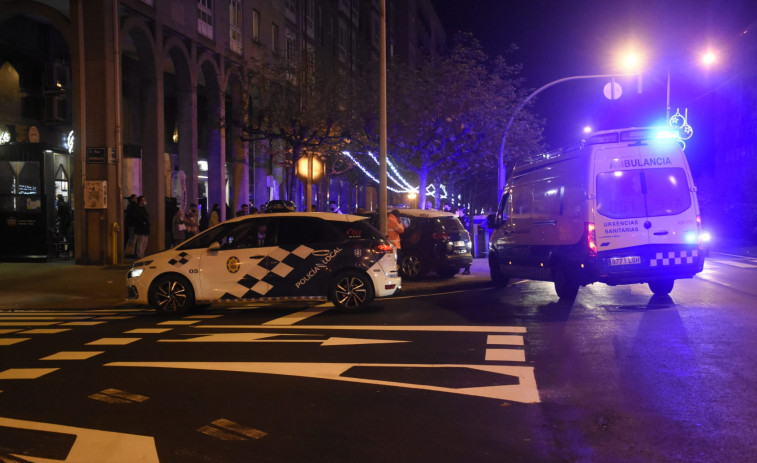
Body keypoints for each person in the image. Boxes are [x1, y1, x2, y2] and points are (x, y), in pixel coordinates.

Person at [457, 206, 472, 274]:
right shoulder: (458, 218)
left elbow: (466, 229)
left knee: (466, 252)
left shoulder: (466, 219)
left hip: (465, 238)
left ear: (461, 211)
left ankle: (467, 269)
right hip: (459, 238)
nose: (457, 212)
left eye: (458, 210)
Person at [124, 194, 138, 258]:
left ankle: (128, 252)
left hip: (130, 224)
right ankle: (130, 253)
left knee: (131, 239)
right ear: (132, 199)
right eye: (135, 198)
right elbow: (133, 215)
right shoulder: (133, 205)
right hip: (132, 225)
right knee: (132, 239)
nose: (136, 199)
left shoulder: (129, 205)